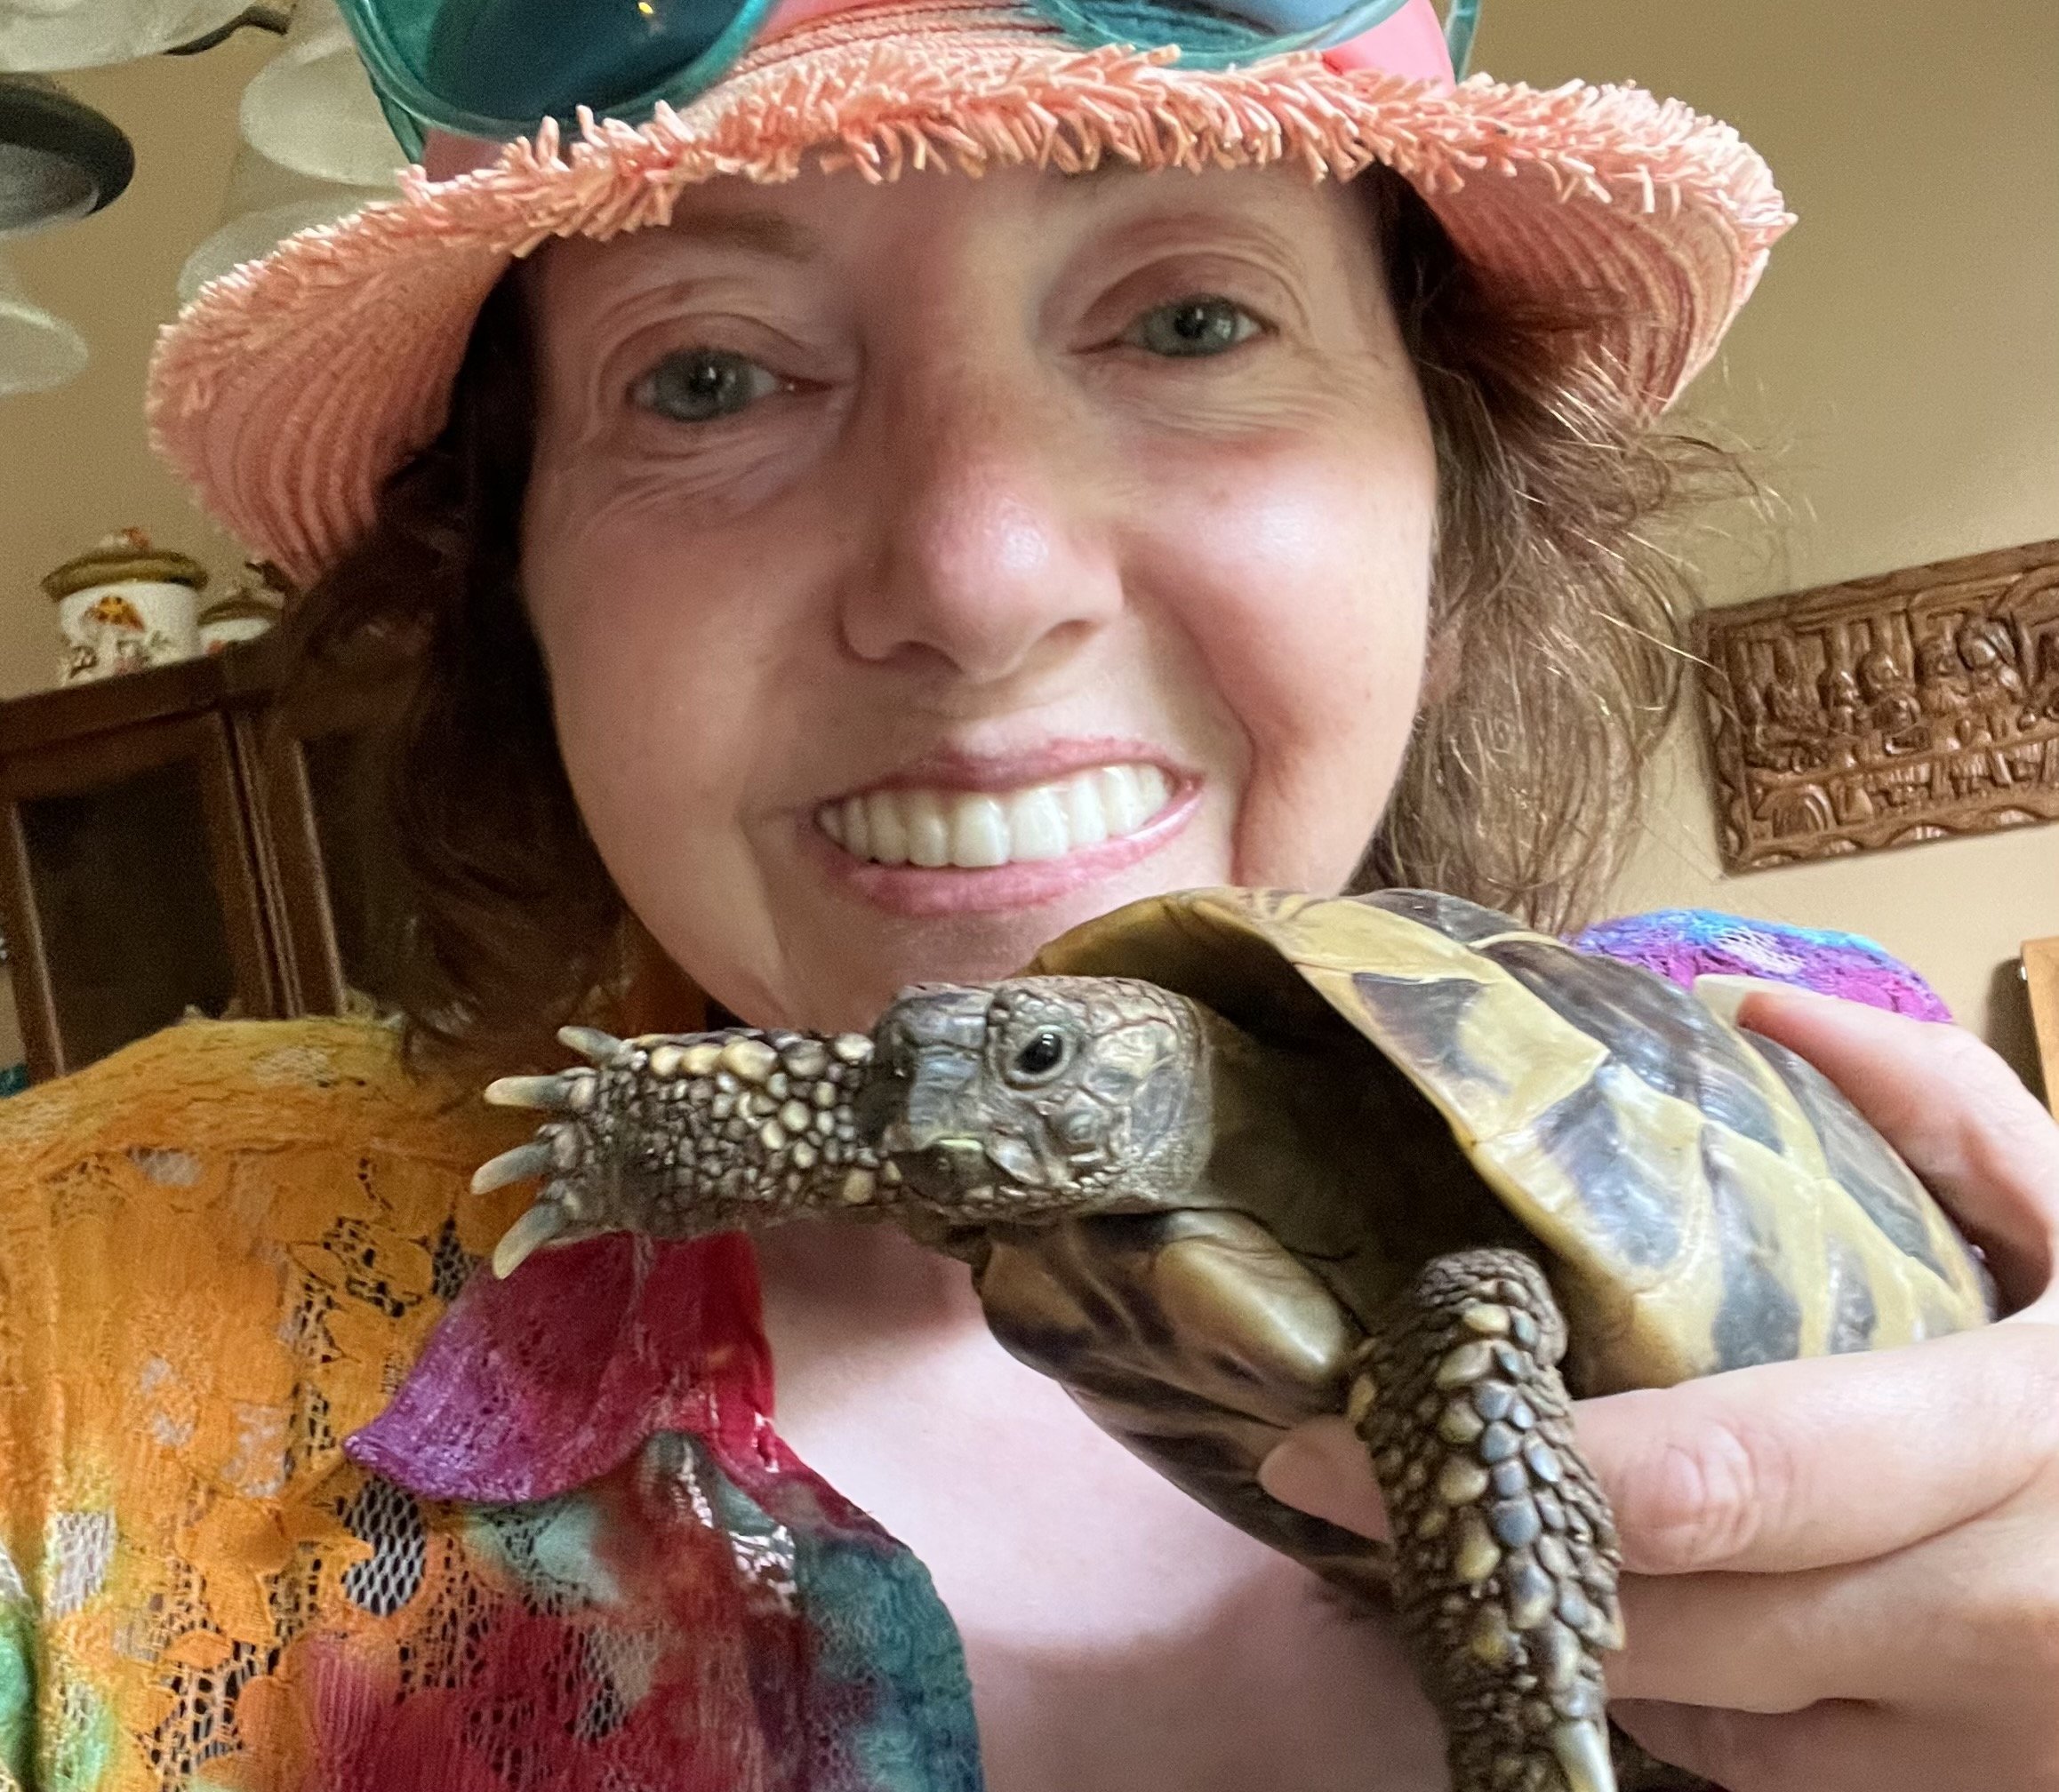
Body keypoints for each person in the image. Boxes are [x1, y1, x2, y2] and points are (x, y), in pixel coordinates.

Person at [4, 1, 2055, 1788]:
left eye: (1189, 319)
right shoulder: (90, 1313)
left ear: (1447, 499)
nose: (977, 582)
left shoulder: (1847, 1105)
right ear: (514, 590)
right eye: (707, 374)